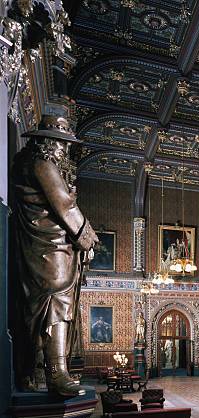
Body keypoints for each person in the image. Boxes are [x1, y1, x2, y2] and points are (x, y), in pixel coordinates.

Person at [11, 116, 98, 396]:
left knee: (38, 308)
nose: (64, 150)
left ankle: (33, 371)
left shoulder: (28, 162)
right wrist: (88, 238)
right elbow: (64, 205)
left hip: (43, 243)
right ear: (49, 142)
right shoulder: (41, 163)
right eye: (62, 144)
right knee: (56, 300)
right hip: (49, 246)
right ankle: (56, 373)